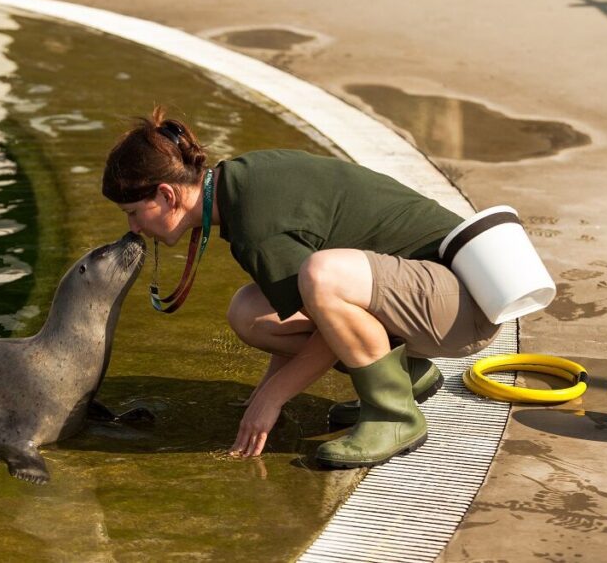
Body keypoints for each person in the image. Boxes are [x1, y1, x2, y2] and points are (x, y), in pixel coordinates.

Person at [102, 107, 501, 468]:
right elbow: (307, 309)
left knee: (322, 276)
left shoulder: (254, 224)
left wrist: (272, 399)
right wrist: (262, 395)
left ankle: (394, 414)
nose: (134, 228)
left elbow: (327, 316)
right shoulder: (239, 184)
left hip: (463, 306)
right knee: (250, 312)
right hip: (433, 292)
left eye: (134, 213)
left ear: (167, 195)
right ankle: (406, 374)